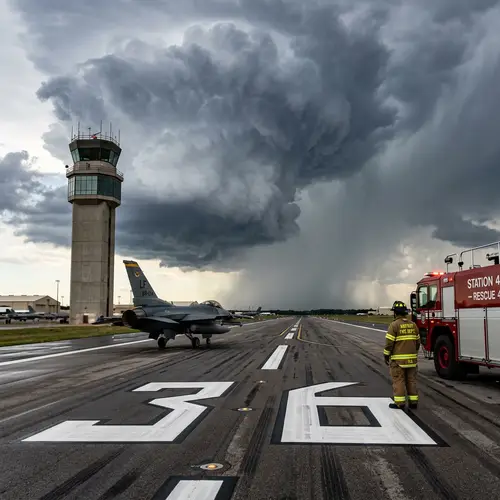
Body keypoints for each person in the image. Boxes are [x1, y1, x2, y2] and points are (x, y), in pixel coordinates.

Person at [384, 300, 420, 409]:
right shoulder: (413, 325)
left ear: (395, 313)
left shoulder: (394, 325)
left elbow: (389, 344)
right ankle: (413, 402)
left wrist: (386, 355)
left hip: (398, 362)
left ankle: (399, 403)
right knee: (411, 380)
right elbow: (417, 343)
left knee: (398, 380)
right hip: (412, 361)